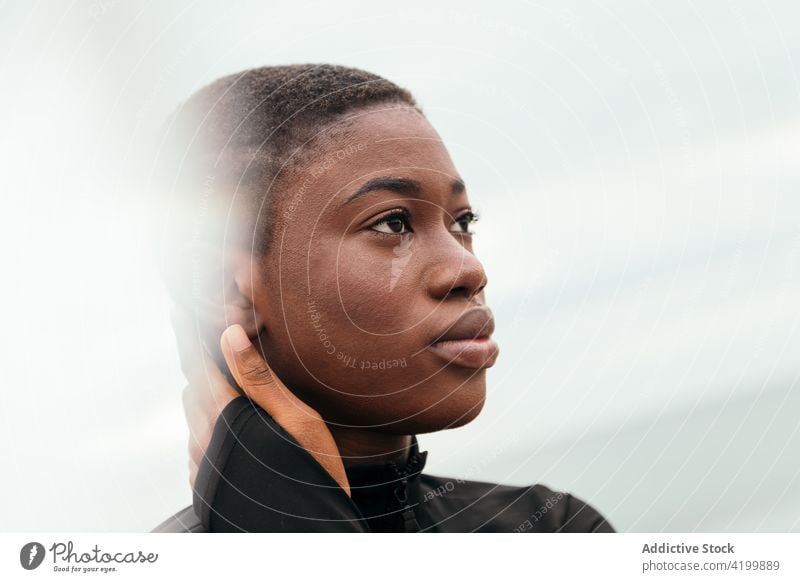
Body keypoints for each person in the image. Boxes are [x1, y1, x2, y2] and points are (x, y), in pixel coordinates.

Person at [150, 64, 614, 533]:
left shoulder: (555, 528)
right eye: (393, 223)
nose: (470, 271)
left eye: (463, 222)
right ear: (226, 289)